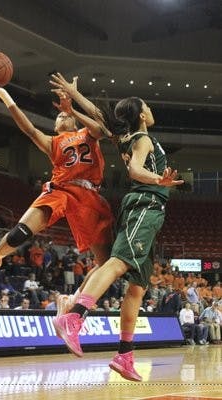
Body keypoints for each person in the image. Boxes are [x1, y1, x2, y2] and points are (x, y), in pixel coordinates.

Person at [50, 79, 183, 381]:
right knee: (117, 263)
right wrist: (157, 180)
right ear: (140, 115)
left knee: (137, 287)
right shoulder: (143, 140)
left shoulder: (124, 136)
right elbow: (136, 170)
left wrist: (73, 95)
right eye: (146, 106)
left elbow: (100, 115)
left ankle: (124, 355)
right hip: (146, 204)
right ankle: (74, 316)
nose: (150, 109)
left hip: (149, 209)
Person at [0, 78, 113, 288]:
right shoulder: (53, 142)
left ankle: (78, 304)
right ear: (55, 125)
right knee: (19, 233)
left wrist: (72, 109)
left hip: (89, 197)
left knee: (106, 263)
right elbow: (29, 129)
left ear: (74, 121)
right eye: (58, 116)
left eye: (64, 114)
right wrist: (3, 95)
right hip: (61, 190)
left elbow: (102, 129)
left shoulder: (87, 133)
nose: (62, 116)